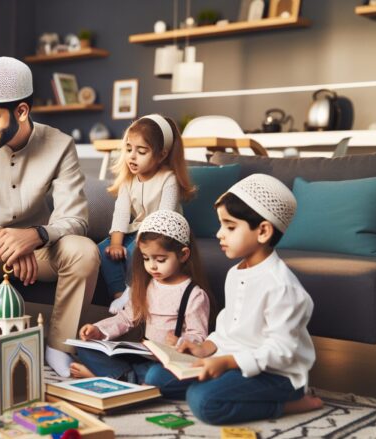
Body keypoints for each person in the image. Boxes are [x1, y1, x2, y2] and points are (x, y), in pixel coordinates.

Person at [0, 57, 100, 377]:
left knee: (84, 251)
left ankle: (59, 348)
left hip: (39, 249)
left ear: (21, 111)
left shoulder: (60, 145)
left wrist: (35, 236)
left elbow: (76, 219)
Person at [148, 173, 324, 424]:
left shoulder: (281, 287)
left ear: (263, 231)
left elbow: (282, 351)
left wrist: (228, 362)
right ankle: (225, 389)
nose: (220, 234)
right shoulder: (235, 273)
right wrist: (204, 349)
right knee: (156, 377)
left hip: (275, 375)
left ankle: (289, 404)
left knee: (203, 402)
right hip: (231, 364)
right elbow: (229, 329)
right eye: (221, 225)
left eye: (230, 227)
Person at [70, 210, 213, 386]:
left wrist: (181, 342)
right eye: (146, 258)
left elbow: (199, 336)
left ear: (183, 255)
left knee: (156, 375)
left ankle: (112, 377)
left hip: (169, 363)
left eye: (160, 260)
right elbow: (126, 318)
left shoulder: (194, 295)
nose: (152, 266)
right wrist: (98, 331)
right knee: (84, 347)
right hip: (143, 356)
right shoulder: (147, 287)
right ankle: (126, 378)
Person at [100, 115, 195, 314]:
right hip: (139, 228)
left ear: (161, 155)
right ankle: (120, 296)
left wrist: (142, 240)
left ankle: (132, 290)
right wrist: (115, 243)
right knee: (103, 249)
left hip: (165, 232)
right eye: (128, 149)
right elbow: (121, 213)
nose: (132, 156)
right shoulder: (129, 180)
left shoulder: (168, 179)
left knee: (137, 249)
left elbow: (164, 217)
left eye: (141, 151)